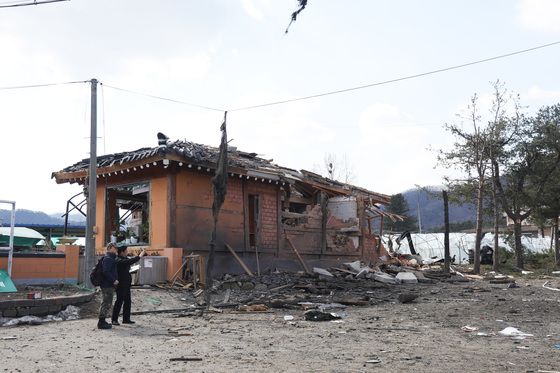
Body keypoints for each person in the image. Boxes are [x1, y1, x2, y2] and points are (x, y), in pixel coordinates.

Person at [111, 246, 146, 325]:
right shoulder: (118, 259)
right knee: (119, 301)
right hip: (120, 284)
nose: (127, 252)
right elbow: (128, 262)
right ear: (122, 252)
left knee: (128, 301)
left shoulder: (124, 258)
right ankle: (114, 319)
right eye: (126, 251)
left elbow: (129, 262)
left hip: (126, 283)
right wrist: (139, 256)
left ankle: (126, 319)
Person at [98, 243, 119, 330]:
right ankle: (101, 322)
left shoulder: (111, 258)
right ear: (110, 248)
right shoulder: (108, 258)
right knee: (106, 302)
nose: (116, 249)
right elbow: (106, 271)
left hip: (109, 284)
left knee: (108, 302)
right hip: (107, 285)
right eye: (115, 248)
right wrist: (113, 280)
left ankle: (103, 321)